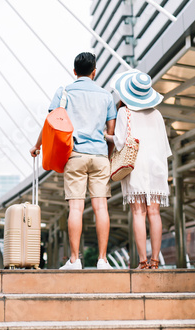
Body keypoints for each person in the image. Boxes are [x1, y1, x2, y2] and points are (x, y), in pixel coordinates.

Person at [30, 52, 116, 270]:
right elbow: (112, 132)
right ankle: (103, 260)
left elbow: (51, 123)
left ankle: (75, 260)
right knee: (101, 208)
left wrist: (37, 146)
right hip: (99, 156)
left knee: (76, 209)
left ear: (75, 71)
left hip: (75, 154)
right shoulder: (106, 96)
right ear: (94, 72)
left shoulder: (65, 91)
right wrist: (108, 156)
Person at [105, 70, 172, 269]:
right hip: (157, 165)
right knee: (155, 212)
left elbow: (119, 142)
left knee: (138, 213)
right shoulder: (157, 114)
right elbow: (165, 147)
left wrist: (104, 136)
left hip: (136, 165)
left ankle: (142, 261)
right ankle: (156, 261)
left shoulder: (124, 112)